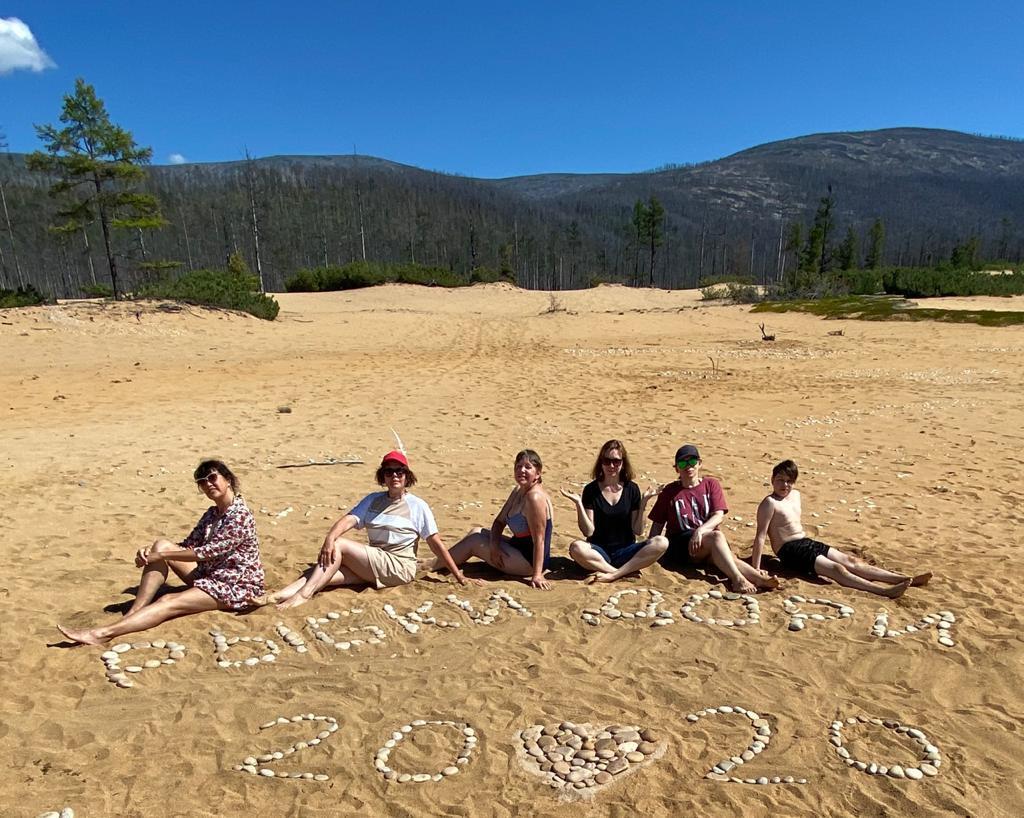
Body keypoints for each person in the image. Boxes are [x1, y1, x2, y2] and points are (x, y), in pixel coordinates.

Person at [58, 459, 266, 645]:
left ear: (227, 479)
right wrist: (151, 552)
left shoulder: (239, 515)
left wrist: (164, 556)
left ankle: (102, 634)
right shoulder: (212, 513)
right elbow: (188, 544)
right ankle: (135, 612)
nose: (208, 484)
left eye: (212, 478)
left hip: (235, 585)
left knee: (167, 601)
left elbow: (207, 552)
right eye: (202, 482)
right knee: (161, 545)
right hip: (212, 574)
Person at [260, 451, 477, 610]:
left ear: (407, 476)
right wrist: (329, 537)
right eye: (389, 472)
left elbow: (435, 543)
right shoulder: (373, 500)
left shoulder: (418, 506)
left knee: (340, 547)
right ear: (382, 476)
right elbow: (348, 520)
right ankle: (278, 595)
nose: (394, 476)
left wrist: (458, 575)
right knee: (326, 571)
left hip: (399, 566)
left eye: (399, 471)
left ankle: (303, 596)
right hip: (375, 562)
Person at [751, 459, 931, 598]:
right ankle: (883, 591)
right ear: (772, 480)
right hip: (789, 550)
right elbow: (760, 537)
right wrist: (755, 569)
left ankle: (903, 579)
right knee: (837, 570)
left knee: (851, 561)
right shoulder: (769, 503)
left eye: (789, 481)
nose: (785, 485)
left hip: (805, 542)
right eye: (780, 480)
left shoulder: (795, 495)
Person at [648, 444, 779, 594]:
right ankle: (738, 579)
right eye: (683, 463)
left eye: (692, 462)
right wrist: (650, 550)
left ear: (699, 463)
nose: (688, 467)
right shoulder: (669, 492)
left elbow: (718, 515)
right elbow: (657, 525)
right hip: (681, 544)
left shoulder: (711, 484)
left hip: (707, 542)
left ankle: (759, 579)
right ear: (677, 468)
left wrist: (700, 531)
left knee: (728, 557)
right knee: (716, 536)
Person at [439, 449, 554, 590]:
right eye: (518, 466)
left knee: (474, 541)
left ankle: (432, 565)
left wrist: (536, 575)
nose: (522, 470)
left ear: (538, 473)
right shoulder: (519, 490)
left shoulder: (534, 498)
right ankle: (439, 562)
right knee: (477, 531)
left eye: (528, 467)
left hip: (529, 563)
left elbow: (540, 540)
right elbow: (499, 522)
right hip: (517, 547)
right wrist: (494, 545)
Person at [561, 439, 666, 583]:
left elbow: (638, 530)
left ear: (623, 463)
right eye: (606, 461)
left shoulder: (632, 489)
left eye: (616, 461)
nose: (611, 466)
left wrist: (643, 504)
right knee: (576, 548)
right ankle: (618, 573)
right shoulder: (591, 490)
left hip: (626, 550)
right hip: (599, 552)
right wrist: (579, 504)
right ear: (601, 462)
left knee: (661, 542)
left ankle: (614, 574)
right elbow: (588, 532)